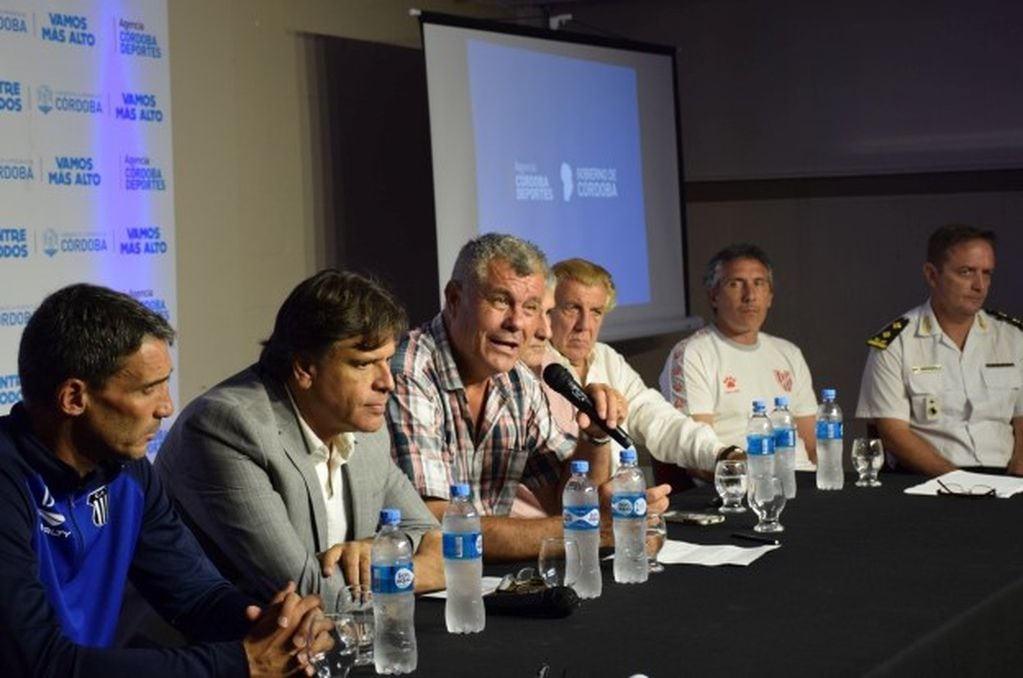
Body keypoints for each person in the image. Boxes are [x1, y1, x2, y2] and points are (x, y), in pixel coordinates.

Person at [0, 283, 324, 676]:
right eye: (148, 389)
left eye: (166, 383)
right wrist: (238, 663)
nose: (167, 407)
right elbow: (39, 662)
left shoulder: (127, 470)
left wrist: (275, 628)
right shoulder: (8, 481)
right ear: (73, 398)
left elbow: (195, 596)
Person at [156, 271, 443, 610]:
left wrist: (372, 550)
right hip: (214, 651)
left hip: (335, 642)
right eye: (364, 364)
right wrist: (415, 572)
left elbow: (427, 532)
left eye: (387, 361)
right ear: (306, 368)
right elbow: (309, 593)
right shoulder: (226, 428)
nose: (387, 382)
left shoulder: (363, 425)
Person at [387, 233, 655, 560]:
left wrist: (594, 437)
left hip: (487, 578)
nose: (517, 323)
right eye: (501, 301)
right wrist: (591, 533)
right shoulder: (410, 374)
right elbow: (437, 524)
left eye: (530, 307)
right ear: (455, 299)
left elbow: (565, 497)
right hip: (422, 584)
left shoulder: (517, 379)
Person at [547, 258, 737, 487]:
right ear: (548, 310)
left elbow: (660, 420)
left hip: (625, 506)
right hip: (570, 509)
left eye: (596, 311)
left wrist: (722, 455)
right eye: (572, 308)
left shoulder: (607, 358)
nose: (585, 325)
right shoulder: (535, 366)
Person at [856, 224, 1023, 476]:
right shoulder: (896, 343)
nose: (980, 285)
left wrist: (1018, 475)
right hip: (928, 481)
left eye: (987, 273)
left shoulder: (1013, 338)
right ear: (932, 275)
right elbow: (893, 433)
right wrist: (958, 481)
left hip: (1007, 478)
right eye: (966, 272)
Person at [658, 245, 818, 479]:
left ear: (770, 297)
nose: (750, 295)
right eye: (735, 283)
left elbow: (813, 445)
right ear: (713, 296)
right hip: (739, 487)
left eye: (759, 283)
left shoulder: (789, 353)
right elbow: (695, 455)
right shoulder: (693, 353)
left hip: (801, 481)